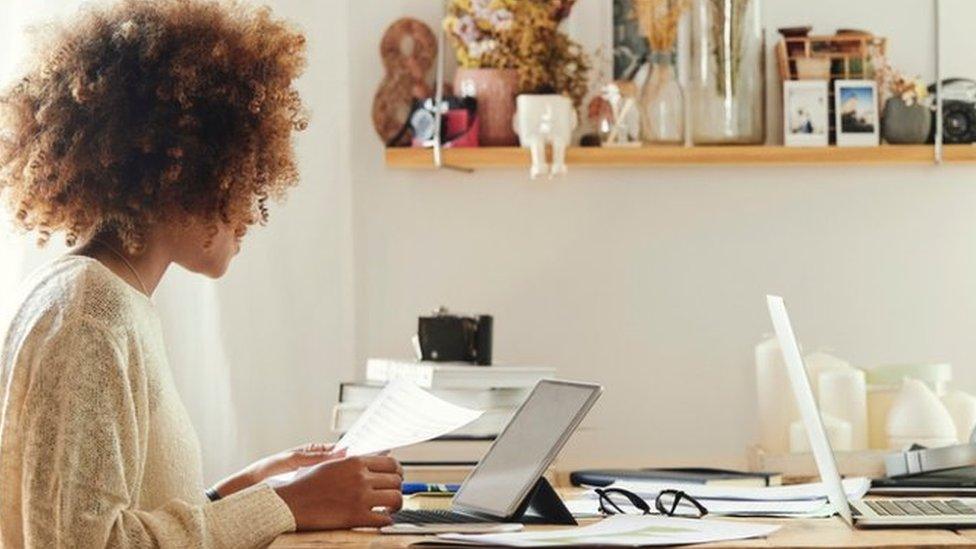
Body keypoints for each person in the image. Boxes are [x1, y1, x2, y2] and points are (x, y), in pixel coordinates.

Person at [0, 0, 402, 546]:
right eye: (241, 174)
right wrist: (286, 504)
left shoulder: (107, 296)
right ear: (183, 171)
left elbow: (124, 515)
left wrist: (248, 488)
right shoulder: (90, 314)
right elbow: (83, 542)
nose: (251, 206)